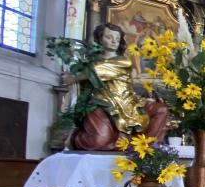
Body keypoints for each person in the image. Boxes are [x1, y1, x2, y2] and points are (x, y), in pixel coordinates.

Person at [67, 23, 169, 151]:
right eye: (109, 37)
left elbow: (99, 71)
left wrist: (74, 77)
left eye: (117, 38)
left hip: (128, 103)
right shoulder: (91, 61)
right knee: (98, 140)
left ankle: (144, 146)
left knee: (161, 109)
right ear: (100, 39)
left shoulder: (124, 61)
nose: (114, 41)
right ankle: (77, 138)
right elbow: (92, 73)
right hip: (102, 103)